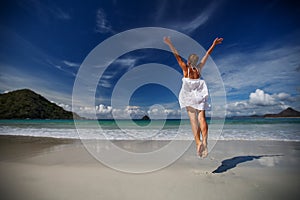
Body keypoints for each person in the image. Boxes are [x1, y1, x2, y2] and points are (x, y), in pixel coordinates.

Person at [163, 36, 223, 158]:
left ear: (189, 62)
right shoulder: (199, 69)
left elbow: (177, 56)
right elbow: (207, 54)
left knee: (193, 120)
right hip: (200, 94)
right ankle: (205, 142)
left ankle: (198, 143)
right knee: (202, 118)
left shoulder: (186, 69)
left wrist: (170, 43)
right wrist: (214, 44)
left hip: (189, 96)